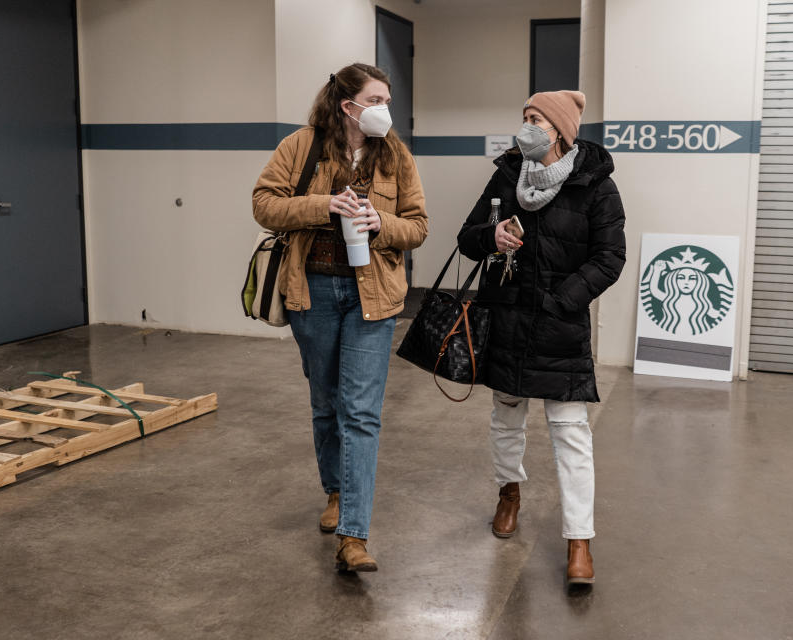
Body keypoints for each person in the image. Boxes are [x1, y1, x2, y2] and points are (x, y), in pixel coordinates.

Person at [252, 63, 428, 573]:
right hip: (314, 292)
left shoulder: (396, 155)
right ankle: (334, 490)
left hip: (373, 297)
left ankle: (354, 534)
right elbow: (264, 205)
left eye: (388, 101)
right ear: (347, 104)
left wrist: (382, 222)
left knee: (361, 412)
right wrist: (322, 205)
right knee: (326, 402)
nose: (384, 110)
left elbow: (418, 225)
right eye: (375, 100)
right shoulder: (300, 146)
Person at [457, 90, 625, 586]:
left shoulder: (595, 184)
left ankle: (579, 539)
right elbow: (467, 238)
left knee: (571, 433)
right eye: (524, 117)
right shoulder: (508, 175)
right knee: (506, 419)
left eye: (537, 119)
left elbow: (608, 258)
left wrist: (559, 302)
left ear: (561, 131)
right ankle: (509, 493)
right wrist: (493, 238)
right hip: (508, 319)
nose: (527, 126)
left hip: (559, 325)